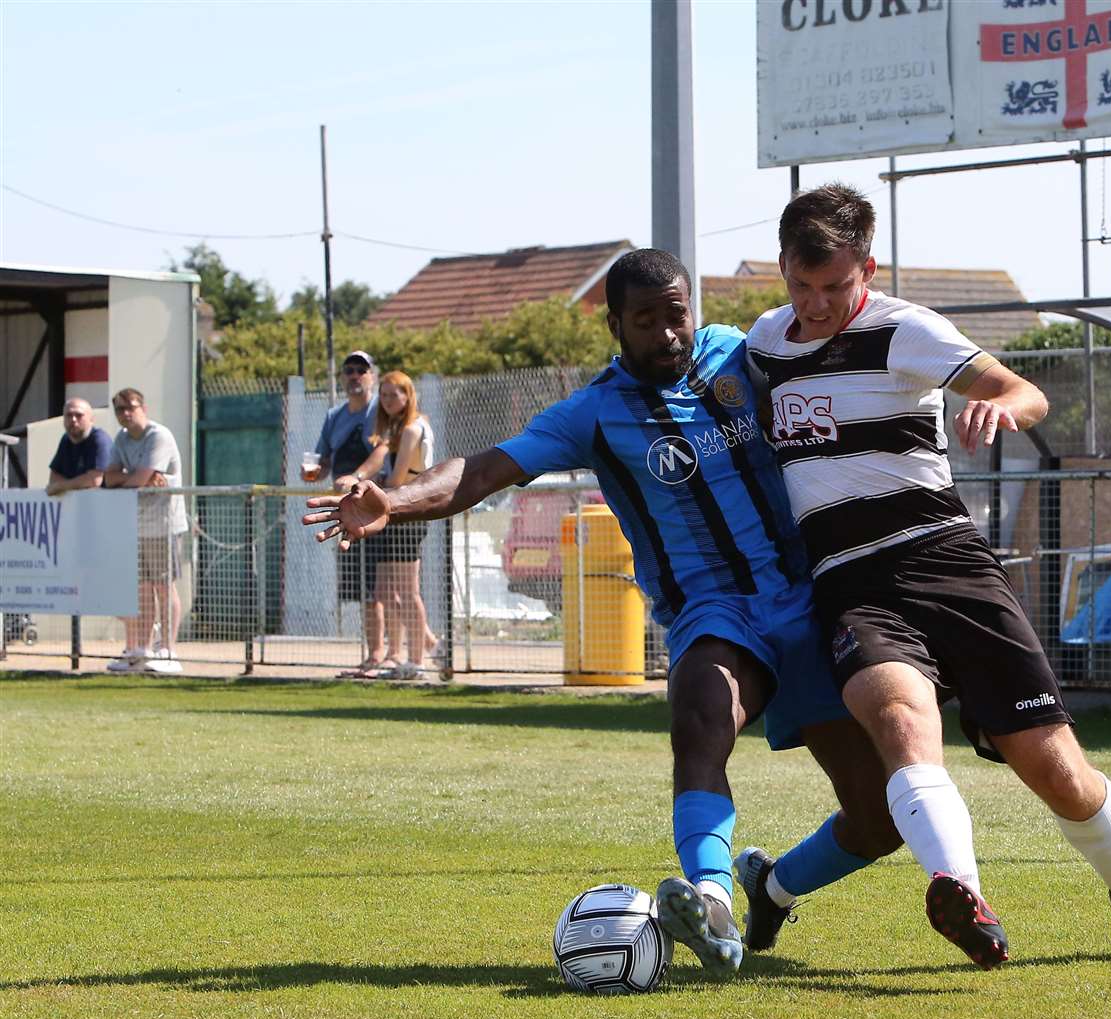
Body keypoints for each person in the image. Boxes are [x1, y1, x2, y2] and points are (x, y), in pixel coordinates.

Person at [305, 249, 902, 977]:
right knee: (701, 716)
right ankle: (712, 900)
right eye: (644, 322)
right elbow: (487, 467)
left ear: (695, 308)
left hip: (808, 598)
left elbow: (847, 360)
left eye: (675, 315)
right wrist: (393, 501)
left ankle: (768, 887)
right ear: (616, 325)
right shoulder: (593, 412)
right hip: (715, 609)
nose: (665, 335)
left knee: (877, 820)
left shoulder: (746, 355)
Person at [744, 183, 1111, 966]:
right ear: (782, 267)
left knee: (1058, 773)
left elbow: (1027, 391)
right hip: (852, 582)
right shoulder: (765, 344)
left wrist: (1003, 407)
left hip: (947, 563)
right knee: (904, 726)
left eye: (834, 286)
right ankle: (963, 893)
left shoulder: (905, 330)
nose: (814, 303)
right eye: (800, 285)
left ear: (867, 270)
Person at [352, 371, 437, 680]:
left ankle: (418, 661)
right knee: (385, 590)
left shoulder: (413, 429)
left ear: (407, 396)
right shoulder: (394, 430)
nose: (387, 401)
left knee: (407, 590)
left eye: (394, 395)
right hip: (394, 513)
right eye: (384, 395)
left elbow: (398, 479)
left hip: (409, 513)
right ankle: (424, 645)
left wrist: (370, 485)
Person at [309, 351, 386, 677]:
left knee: (380, 587)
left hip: (375, 509)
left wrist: (358, 477)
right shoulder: (334, 416)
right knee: (360, 587)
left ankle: (379, 655)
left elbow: (382, 453)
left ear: (372, 376)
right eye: (349, 371)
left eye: (361, 370)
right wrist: (314, 470)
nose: (355, 376)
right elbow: (322, 459)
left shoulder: (380, 411)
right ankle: (382, 653)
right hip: (345, 511)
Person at [102, 388, 188, 674]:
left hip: (164, 524)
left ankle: (168, 651)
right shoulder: (121, 439)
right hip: (136, 524)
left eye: (131, 407)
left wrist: (131, 478)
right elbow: (110, 477)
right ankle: (142, 650)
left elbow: (136, 478)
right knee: (141, 589)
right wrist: (134, 478)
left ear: (144, 408)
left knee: (164, 586)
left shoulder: (158, 436)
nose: (126, 413)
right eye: (120, 410)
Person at [46, 398, 113, 495]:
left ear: (91, 420)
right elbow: (54, 478)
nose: (73, 420)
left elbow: (94, 480)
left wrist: (61, 486)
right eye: (69, 415)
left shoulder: (99, 439)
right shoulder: (66, 440)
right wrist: (69, 485)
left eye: (79, 415)